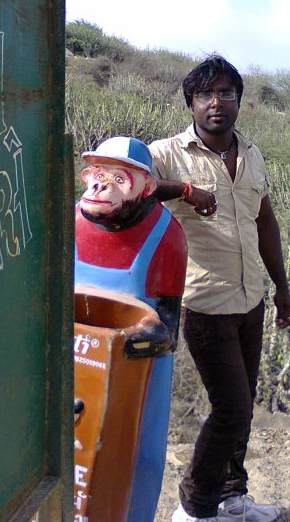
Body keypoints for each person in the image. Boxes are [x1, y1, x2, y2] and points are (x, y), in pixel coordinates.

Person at [148, 55, 290, 522]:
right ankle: (193, 507)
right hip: (203, 301)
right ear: (191, 103)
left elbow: (265, 221)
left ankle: (232, 497)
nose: (217, 103)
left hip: (250, 297)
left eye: (226, 93)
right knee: (230, 407)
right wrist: (186, 191)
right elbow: (128, 183)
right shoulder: (168, 153)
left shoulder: (252, 153)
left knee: (243, 405)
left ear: (239, 101)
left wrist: (282, 290)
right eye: (206, 95)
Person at [75, 136, 188, 522]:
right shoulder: (70, 221)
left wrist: (122, 346)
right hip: (73, 356)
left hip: (138, 371)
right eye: (97, 174)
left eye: (118, 178)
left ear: (147, 187)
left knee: (139, 452)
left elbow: (169, 328)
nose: (101, 185)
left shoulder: (166, 235)